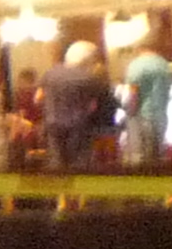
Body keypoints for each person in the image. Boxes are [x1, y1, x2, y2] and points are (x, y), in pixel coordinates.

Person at [37, 37, 117, 176]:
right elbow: (98, 103)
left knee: (57, 164)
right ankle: (78, 196)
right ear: (89, 59)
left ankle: (59, 194)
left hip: (53, 124)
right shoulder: (89, 78)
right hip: (78, 125)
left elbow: (38, 98)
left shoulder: (51, 73)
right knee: (78, 164)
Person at [121, 35, 172, 168]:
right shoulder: (164, 65)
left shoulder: (136, 66)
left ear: (140, 48)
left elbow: (134, 93)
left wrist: (130, 111)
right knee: (159, 155)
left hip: (144, 117)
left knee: (143, 158)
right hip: (162, 116)